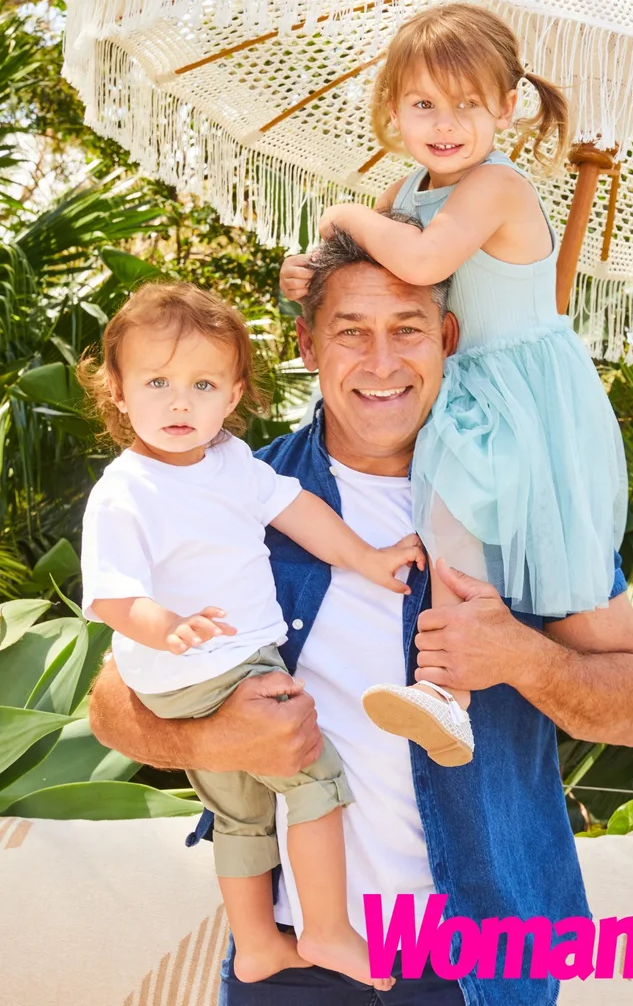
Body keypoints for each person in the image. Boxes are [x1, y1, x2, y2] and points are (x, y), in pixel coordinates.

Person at [90, 225, 633, 1006]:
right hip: (290, 958)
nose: (382, 362)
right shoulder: (233, 493)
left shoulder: (529, 507)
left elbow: (631, 710)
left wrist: (521, 657)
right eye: (351, 332)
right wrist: (213, 734)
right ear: (306, 343)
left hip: (477, 957)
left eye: (408, 330)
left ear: (448, 338)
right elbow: (114, 707)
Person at [281, 3, 628, 771]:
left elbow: (425, 261)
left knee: (451, 524)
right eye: (422, 104)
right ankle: (445, 689)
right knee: (448, 525)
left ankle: (448, 689)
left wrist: (342, 208)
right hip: (463, 383)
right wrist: (305, 267)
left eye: (468, 104)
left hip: (512, 390)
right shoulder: (409, 184)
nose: (445, 122)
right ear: (393, 109)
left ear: (505, 108)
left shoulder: (495, 187)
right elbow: (355, 268)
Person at [77, 283, 429, 989]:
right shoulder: (126, 489)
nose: (180, 403)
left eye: (202, 384)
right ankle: (327, 931)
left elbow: (296, 510)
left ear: (234, 394)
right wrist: (168, 627)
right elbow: (112, 596)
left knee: (241, 816)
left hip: (210, 663)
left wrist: (364, 556)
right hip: (215, 669)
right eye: (157, 383)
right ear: (116, 392)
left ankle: (260, 943)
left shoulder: (233, 464)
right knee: (317, 782)